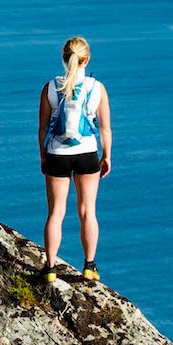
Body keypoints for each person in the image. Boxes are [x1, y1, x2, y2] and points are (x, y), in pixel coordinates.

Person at [37, 35, 111, 284]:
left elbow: (42, 128)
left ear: (64, 58)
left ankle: (49, 267)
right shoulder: (96, 88)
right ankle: (89, 266)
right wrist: (107, 155)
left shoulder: (50, 88)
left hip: (57, 155)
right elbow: (105, 128)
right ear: (86, 59)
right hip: (87, 154)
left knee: (55, 213)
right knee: (87, 211)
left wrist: (43, 155)